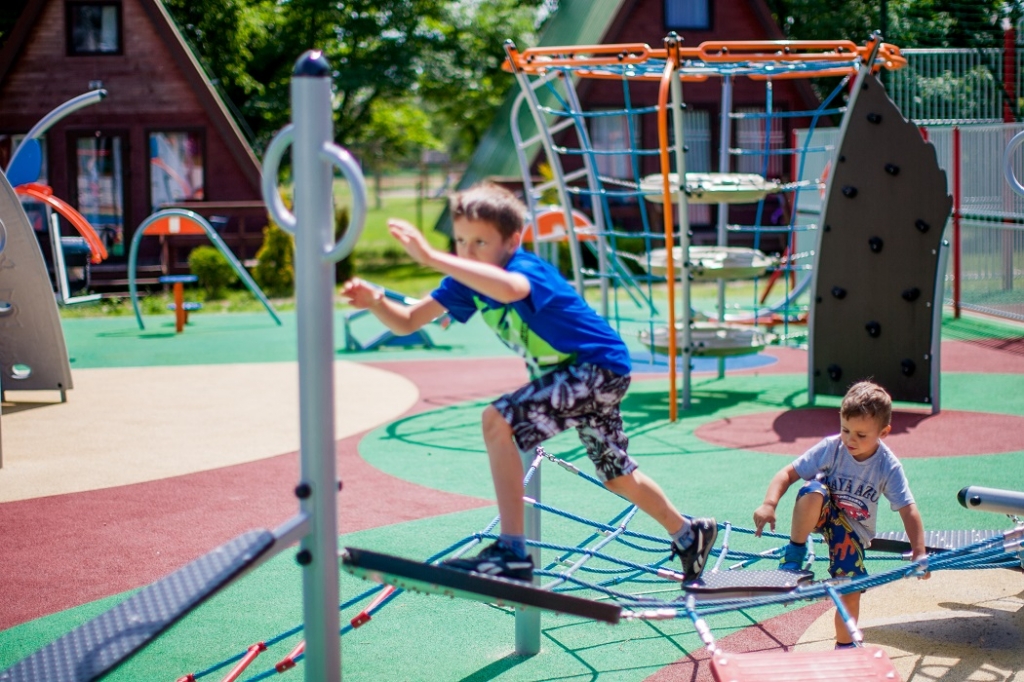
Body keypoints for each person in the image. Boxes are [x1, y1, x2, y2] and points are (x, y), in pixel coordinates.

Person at [341, 182, 717, 584]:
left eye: (480, 242)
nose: (468, 252)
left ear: (513, 241)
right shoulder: (466, 282)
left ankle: (511, 551)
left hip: (598, 368)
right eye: (461, 241)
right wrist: (377, 302)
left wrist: (432, 257)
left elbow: (509, 290)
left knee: (497, 420)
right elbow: (409, 321)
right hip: (587, 375)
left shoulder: (525, 269)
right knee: (617, 474)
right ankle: (687, 533)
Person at [752, 380, 929, 649]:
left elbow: (908, 508)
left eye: (861, 435)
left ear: (884, 432)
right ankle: (794, 554)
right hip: (823, 512)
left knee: (850, 589)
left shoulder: (888, 466)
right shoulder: (832, 447)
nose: (850, 440)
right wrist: (769, 503)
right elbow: (787, 473)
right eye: (845, 430)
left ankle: (845, 646)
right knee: (812, 489)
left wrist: (919, 551)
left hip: (853, 532)